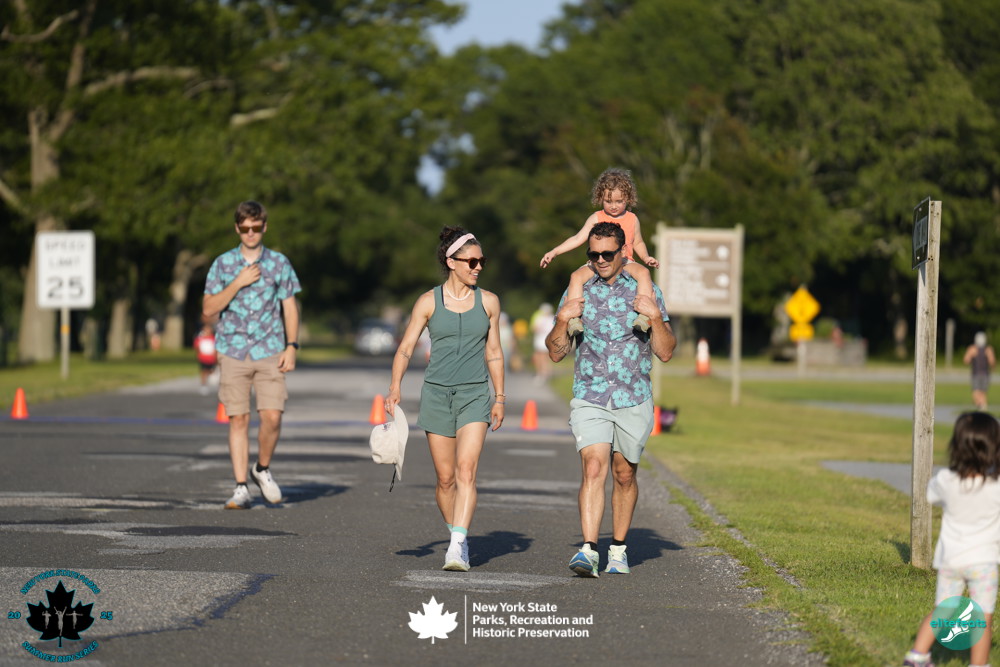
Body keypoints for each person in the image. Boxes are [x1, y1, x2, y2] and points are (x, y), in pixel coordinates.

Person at [546, 221, 676, 577]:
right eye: (594, 254)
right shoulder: (578, 289)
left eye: (607, 254)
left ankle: (618, 548)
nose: (600, 260)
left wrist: (655, 318)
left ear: (623, 253)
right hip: (590, 394)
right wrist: (562, 321)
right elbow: (556, 353)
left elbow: (666, 352)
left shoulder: (645, 289)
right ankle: (589, 550)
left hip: (634, 396)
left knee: (624, 474)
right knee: (593, 467)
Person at [386, 226, 505, 572]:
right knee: (445, 479)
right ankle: (458, 534)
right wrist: (395, 387)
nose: (478, 267)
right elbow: (406, 348)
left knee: (466, 470)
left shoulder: (489, 302)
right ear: (452, 262)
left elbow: (494, 352)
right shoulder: (428, 302)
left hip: (474, 394)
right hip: (436, 395)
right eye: (471, 261)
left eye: (482, 261)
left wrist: (499, 397)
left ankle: (457, 546)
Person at [203, 200, 301, 510]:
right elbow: (209, 308)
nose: (250, 233)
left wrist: (292, 345)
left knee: (272, 416)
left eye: (255, 227)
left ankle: (261, 468)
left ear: (264, 227)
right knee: (238, 418)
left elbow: (289, 307)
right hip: (232, 350)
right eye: (244, 228)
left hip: (270, 349)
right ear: (237, 228)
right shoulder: (222, 264)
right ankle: (241, 488)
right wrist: (238, 282)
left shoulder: (279, 263)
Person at [903, 412, 1000, 667]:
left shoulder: (947, 480)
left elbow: (931, 494)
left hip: (950, 560)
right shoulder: (996, 485)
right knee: (982, 617)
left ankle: (917, 655)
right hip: (983, 563)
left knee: (943, 610)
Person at [539, 167, 659, 334]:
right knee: (576, 276)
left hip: (625, 261)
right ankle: (574, 319)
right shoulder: (596, 217)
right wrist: (554, 252)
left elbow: (638, 242)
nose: (614, 206)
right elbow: (577, 238)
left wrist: (646, 258)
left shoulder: (632, 219)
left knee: (644, 273)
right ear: (600, 198)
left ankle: (644, 316)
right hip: (597, 262)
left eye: (619, 201)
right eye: (608, 201)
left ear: (628, 198)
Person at [963, 332, 996, 410]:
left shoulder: (988, 349)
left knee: (982, 393)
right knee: (976, 393)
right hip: (976, 374)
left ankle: (982, 408)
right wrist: (970, 354)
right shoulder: (972, 349)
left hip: (984, 374)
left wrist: (989, 356)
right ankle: (982, 407)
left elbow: (992, 363)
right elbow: (966, 361)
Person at [530, 303, 554, 383]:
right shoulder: (540, 318)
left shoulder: (551, 318)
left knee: (544, 358)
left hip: (546, 341)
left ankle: (543, 374)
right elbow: (534, 328)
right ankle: (542, 374)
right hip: (539, 340)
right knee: (539, 358)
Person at [194, 322, 218, 395]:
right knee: (203, 371)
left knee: (211, 370)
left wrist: (215, 356)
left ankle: (212, 377)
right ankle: (203, 385)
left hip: (211, 358)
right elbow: (197, 347)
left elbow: (216, 348)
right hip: (203, 358)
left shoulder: (213, 338)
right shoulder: (200, 338)